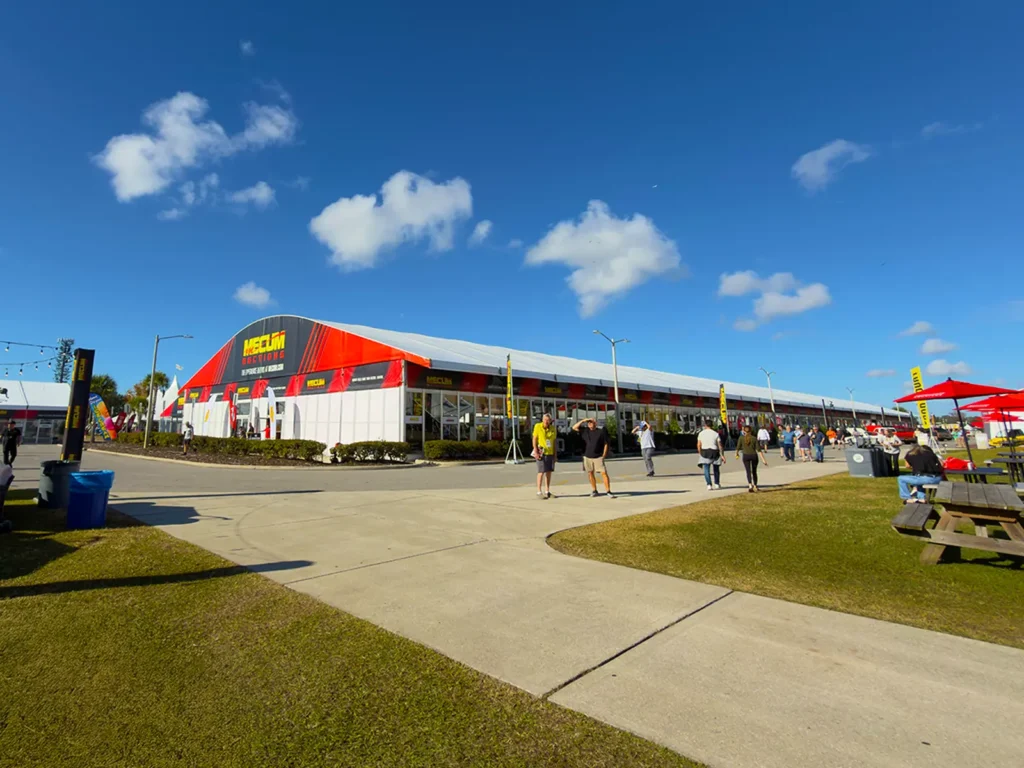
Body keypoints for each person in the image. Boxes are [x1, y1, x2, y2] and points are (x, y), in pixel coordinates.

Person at [574, 417, 614, 498]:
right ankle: (594, 490)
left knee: (604, 473)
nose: (590, 424)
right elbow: (574, 427)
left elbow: (606, 443)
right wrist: (583, 420)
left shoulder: (601, 431)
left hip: (598, 456)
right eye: (588, 423)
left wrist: (604, 455)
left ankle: (608, 491)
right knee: (590, 473)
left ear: (595, 423)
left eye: (591, 422)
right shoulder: (585, 431)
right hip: (587, 456)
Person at [735, 424, 768, 492]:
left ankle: (750, 485)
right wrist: (764, 460)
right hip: (753, 456)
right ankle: (755, 485)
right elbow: (759, 450)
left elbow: (738, 447)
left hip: (746, 456)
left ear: (744, 431)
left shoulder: (741, 438)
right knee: (754, 471)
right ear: (751, 431)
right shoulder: (754, 438)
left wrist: (736, 454)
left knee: (748, 471)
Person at [532, 413, 557, 499]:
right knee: (541, 472)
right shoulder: (538, 426)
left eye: (548, 420)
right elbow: (534, 439)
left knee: (549, 472)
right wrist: (535, 451)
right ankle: (539, 491)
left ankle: (547, 491)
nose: (546, 421)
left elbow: (554, 442)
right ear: (542, 420)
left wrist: (555, 454)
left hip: (550, 452)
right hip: (541, 452)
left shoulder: (553, 429)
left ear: (550, 421)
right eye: (545, 420)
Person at [696, 420, 725, 490]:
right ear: (712, 426)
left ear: (705, 425)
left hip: (705, 451)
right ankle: (717, 483)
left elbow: (699, 444)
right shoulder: (715, 434)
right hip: (714, 451)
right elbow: (720, 445)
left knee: (706, 469)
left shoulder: (701, 433)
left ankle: (709, 484)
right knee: (716, 469)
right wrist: (722, 455)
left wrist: (700, 452)